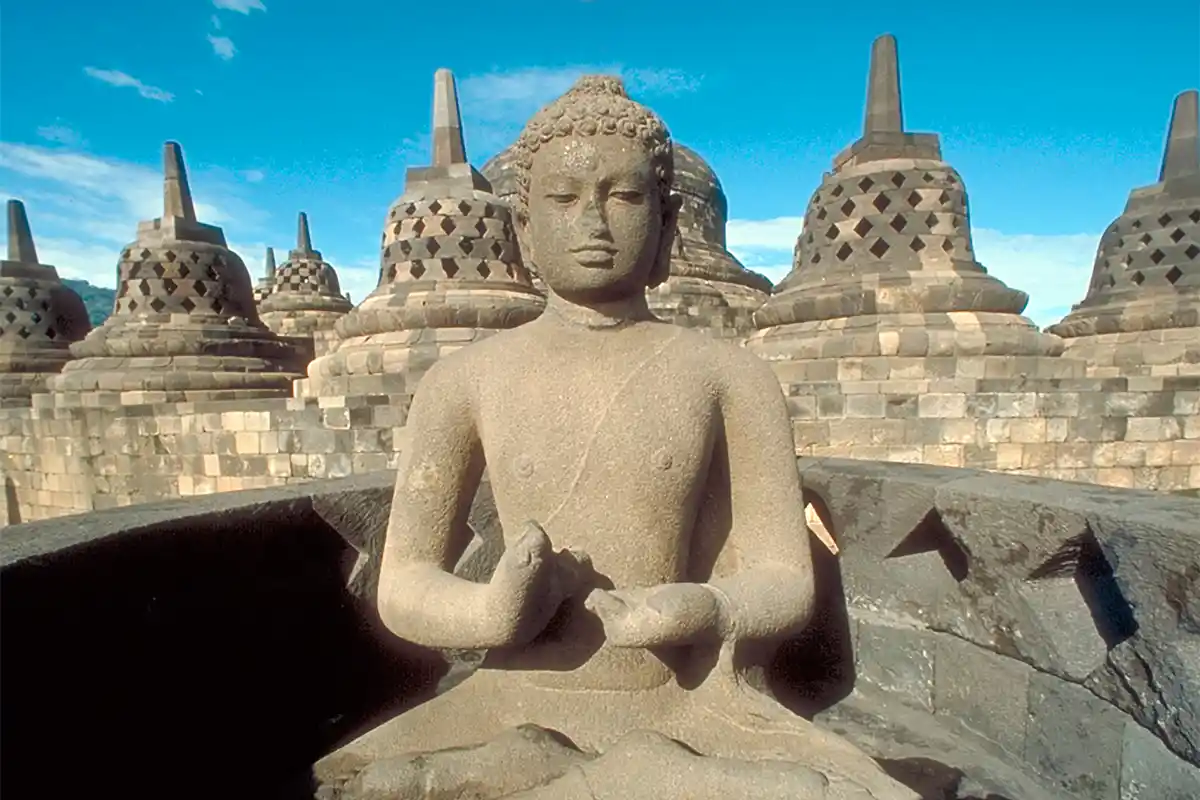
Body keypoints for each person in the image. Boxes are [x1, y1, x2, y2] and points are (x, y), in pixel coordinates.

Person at [315, 75, 915, 800]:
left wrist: (706, 607)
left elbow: (785, 579)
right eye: (563, 199)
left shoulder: (729, 375)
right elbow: (404, 582)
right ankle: (582, 768)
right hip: (510, 697)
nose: (593, 221)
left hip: (688, 700)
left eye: (625, 197)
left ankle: (601, 770)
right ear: (525, 231)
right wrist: (488, 611)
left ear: (666, 224)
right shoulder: (464, 382)